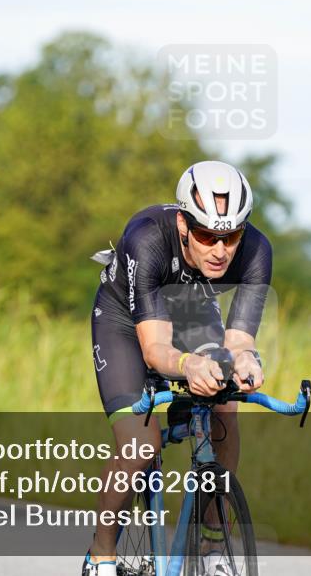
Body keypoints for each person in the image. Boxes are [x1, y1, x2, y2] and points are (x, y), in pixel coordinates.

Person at [83, 160, 272, 576]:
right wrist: (189, 365)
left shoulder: (257, 251)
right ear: (184, 224)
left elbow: (239, 341)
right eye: (206, 236)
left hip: (191, 312)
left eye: (231, 236)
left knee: (225, 407)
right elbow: (155, 350)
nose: (220, 250)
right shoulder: (147, 237)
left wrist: (244, 362)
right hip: (126, 324)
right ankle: (101, 553)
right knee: (140, 444)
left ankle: (212, 543)